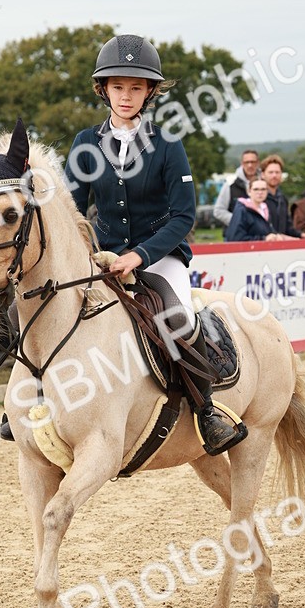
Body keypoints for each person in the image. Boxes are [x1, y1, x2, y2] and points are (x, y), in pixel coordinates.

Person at [61, 33, 246, 456]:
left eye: (136, 87)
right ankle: (32, 400)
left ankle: (207, 412)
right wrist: (89, 255)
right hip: (103, 257)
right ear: (104, 89)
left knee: (178, 317)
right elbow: (72, 210)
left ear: (149, 92)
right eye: (118, 86)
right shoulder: (86, 143)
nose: (126, 96)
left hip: (160, 259)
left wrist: (139, 255)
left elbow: (184, 215)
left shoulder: (167, 144)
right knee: (49, 309)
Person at [213, 149, 259, 235]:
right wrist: (239, 221)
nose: (250, 165)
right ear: (242, 163)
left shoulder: (263, 183)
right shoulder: (230, 184)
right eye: (247, 162)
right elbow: (218, 210)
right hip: (234, 235)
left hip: (259, 235)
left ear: (258, 163)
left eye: (253, 162)